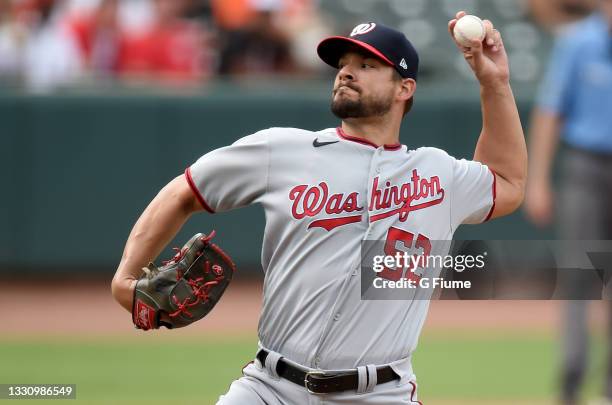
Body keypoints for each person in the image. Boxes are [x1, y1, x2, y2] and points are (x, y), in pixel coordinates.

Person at [112, 11, 527, 404]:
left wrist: (495, 84)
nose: (346, 71)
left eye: (367, 64)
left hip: (380, 392)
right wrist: (126, 276)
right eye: (343, 63)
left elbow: (508, 182)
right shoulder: (282, 149)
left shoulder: (437, 174)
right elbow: (184, 191)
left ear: (405, 88)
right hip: (270, 387)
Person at [524, 1, 612, 404]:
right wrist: (538, 180)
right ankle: (572, 379)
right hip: (585, 167)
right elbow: (550, 111)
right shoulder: (578, 41)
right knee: (580, 276)